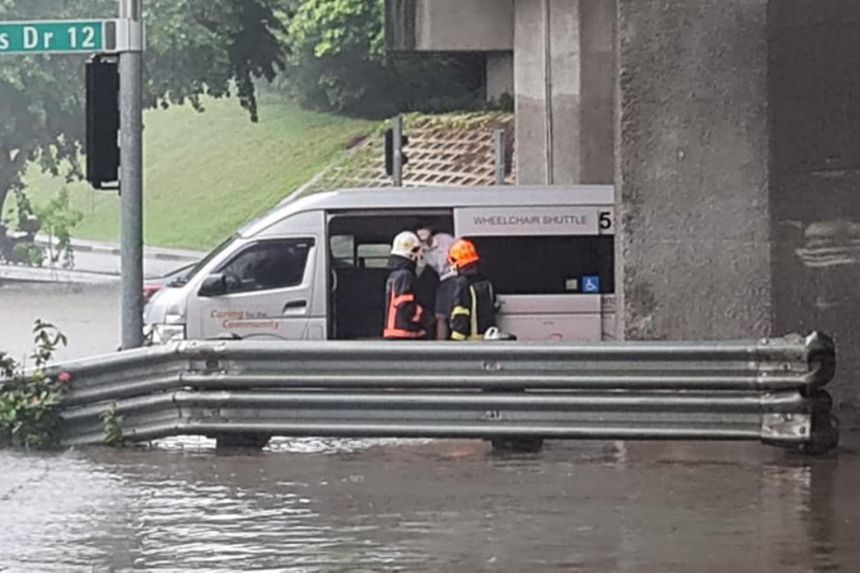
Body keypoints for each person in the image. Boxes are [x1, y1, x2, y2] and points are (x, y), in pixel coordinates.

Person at [447, 238, 497, 341]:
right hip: (487, 338)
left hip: (469, 341)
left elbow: (460, 313)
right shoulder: (486, 282)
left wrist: (455, 340)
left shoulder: (462, 283)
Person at [382, 231, 427, 340]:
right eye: (417, 250)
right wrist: (423, 315)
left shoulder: (395, 274)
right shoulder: (405, 275)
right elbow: (404, 304)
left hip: (396, 330)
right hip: (404, 332)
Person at [423, 232, 457, 340]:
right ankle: (441, 344)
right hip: (442, 279)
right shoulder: (421, 249)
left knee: (458, 312)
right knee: (440, 315)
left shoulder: (445, 239)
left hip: (456, 274)